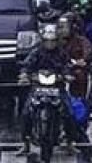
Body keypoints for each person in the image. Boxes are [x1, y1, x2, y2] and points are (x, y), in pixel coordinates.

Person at [16, 23, 79, 155]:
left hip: (57, 88)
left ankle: (70, 142)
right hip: (37, 88)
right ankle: (25, 143)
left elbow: (67, 66)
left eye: (53, 41)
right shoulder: (36, 53)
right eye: (47, 41)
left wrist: (68, 75)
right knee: (26, 112)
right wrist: (24, 75)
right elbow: (27, 65)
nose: (50, 44)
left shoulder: (62, 54)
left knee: (69, 113)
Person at [59, 13, 92, 101]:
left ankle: (83, 101)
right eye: (60, 27)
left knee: (81, 74)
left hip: (74, 69)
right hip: (58, 68)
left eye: (64, 27)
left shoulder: (81, 41)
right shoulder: (53, 41)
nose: (62, 30)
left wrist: (81, 60)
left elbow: (87, 53)